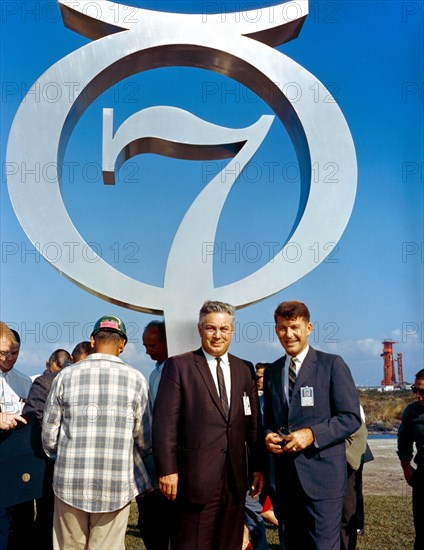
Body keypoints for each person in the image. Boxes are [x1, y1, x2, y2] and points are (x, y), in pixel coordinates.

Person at [153, 300, 265, 550]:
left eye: (224, 329)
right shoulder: (179, 366)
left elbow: (253, 424)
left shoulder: (244, 368)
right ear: (200, 329)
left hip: (236, 481)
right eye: (211, 328)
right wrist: (167, 470)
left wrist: (258, 467)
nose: (218, 335)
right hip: (195, 480)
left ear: (232, 331)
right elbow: (164, 424)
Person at [42, 315, 152, 550]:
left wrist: (61, 457)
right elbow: (144, 440)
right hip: (115, 484)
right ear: (122, 344)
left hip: (69, 482)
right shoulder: (137, 380)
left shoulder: (65, 377)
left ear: (92, 340)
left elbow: (49, 436)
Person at [263, 301, 361, 550]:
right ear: (276, 330)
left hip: (323, 480)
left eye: (295, 327)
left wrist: (312, 434)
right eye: (283, 328)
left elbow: (350, 417)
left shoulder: (332, 365)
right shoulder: (273, 371)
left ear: (308, 328)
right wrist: (268, 436)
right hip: (285, 481)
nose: (289, 334)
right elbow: (270, 421)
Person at [136, 320, 173, 550]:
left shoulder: (177, 370)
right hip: (153, 454)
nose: (148, 351)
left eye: (152, 345)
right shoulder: (153, 373)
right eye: (145, 346)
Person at [0, 323, 32, 550]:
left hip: (18, 459)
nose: (10, 358)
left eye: (15, 353)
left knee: (22, 519)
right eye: (3, 353)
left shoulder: (25, 381)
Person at [397, 368, 424, 550]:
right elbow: (404, 441)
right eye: (416, 390)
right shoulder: (412, 412)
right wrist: (406, 467)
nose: (419, 396)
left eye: (423, 391)